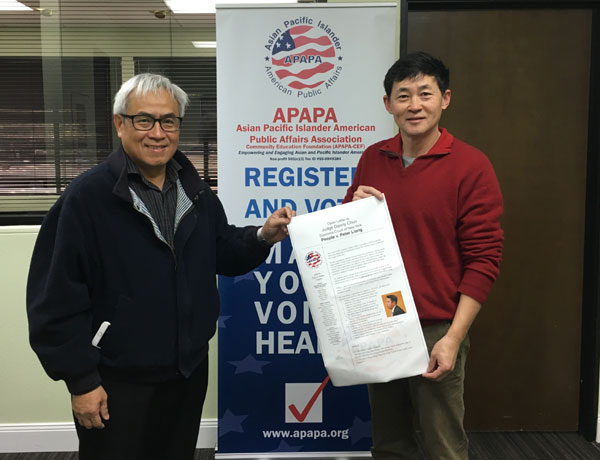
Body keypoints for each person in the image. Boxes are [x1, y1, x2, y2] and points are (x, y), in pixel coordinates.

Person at [26, 73, 294, 460]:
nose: (158, 132)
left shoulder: (195, 192)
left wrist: (262, 236)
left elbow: (222, 250)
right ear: (120, 124)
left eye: (168, 121)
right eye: (144, 120)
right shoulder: (86, 199)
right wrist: (81, 380)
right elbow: (55, 298)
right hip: (115, 378)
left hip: (186, 373)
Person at [343, 52, 503, 459]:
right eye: (403, 96)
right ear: (388, 104)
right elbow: (346, 242)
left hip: (437, 327)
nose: (414, 105)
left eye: (425, 94)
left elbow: (484, 260)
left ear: (445, 99)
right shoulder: (372, 158)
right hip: (380, 321)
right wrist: (352, 210)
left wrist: (453, 338)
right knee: (389, 442)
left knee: (443, 444)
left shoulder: (471, 166)